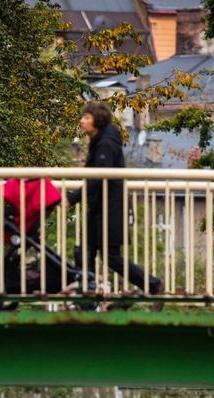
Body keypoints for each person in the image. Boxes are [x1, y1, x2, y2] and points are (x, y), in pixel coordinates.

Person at [68, 100, 163, 295]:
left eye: (86, 117)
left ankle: (153, 285)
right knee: (84, 252)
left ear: (97, 120)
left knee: (110, 257)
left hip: (109, 209)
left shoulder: (105, 143)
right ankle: (88, 293)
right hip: (99, 207)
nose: (81, 121)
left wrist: (73, 197)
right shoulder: (101, 140)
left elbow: (98, 176)